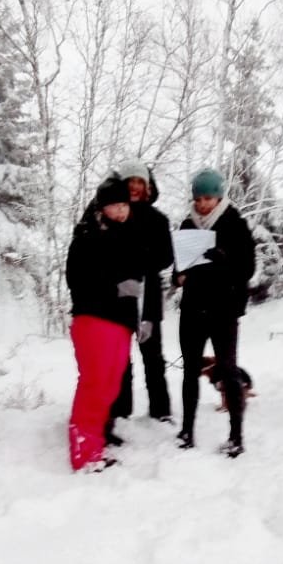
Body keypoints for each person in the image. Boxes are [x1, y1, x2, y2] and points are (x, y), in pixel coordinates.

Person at [173, 167, 256, 457]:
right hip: (193, 308)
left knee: (229, 371)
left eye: (208, 198)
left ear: (219, 197)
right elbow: (177, 269)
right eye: (198, 198)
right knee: (190, 370)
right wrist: (178, 277)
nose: (203, 204)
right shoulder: (187, 224)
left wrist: (224, 259)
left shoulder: (235, 223)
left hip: (224, 309)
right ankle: (187, 431)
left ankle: (236, 436)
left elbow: (248, 269)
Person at [65, 178, 147, 472]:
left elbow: (137, 281)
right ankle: (83, 453)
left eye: (125, 205)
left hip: (121, 323)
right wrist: (116, 288)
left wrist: (138, 320)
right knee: (95, 384)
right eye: (115, 205)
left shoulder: (127, 235)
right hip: (94, 319)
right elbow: (77, 280)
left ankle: (95, 446)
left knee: (110, 387)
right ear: (102, 207)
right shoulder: (88, 235)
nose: (122, 211)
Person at [95, 159, 174, 440]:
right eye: (131, 182)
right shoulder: (110, 214)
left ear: (148, 187)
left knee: (153, 356)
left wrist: (142, 257)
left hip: (148, 296)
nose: (136, 187)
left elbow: (166, 257)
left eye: (141, 182)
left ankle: (161, 410)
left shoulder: (158, 220)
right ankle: (121, 409)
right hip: (117, 298)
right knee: (119, 358)